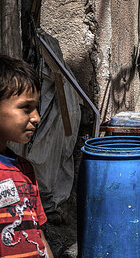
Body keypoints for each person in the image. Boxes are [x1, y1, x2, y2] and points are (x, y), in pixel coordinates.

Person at [0, 56, 54, 257]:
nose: (37, 117)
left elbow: (38, 234)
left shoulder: (25, 169)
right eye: (26, 108)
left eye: (36, 107)